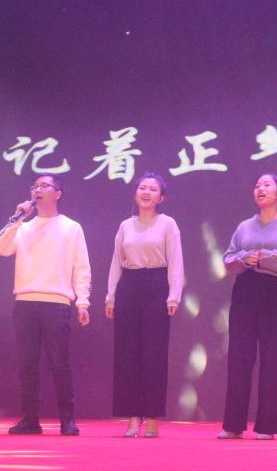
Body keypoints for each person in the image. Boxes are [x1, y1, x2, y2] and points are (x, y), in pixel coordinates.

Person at [0, 173, 91, 436]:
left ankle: (67, 419)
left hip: (56, 302)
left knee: (59, 362)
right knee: (27, 364)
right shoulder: (23, 227)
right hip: (25, 302)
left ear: (58, 194)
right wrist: (16, 219)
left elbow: (82, 267)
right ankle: (30, 419)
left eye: (45, 186)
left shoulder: (71, 227)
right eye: (35, 186)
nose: (38, 190)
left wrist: (82, 301)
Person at [218, 174, 277, 440]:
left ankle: (267, 426)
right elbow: (228, 260)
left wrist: (269, 258)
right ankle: (233, 425)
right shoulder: (244, 227)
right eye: (257, 185)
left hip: (276, 294)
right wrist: (245, 258)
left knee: (273, 358)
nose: (260, 189)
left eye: (267, 185)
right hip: (245, 292)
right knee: (239, 358)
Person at [105, 172, 184, 438]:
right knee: (127, 354)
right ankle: (131, 416)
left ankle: (151, 417)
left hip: (156, 285)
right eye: (142, 188)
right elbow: (116, 262)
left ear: (162, 197)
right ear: (135, 193)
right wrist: (111, 296)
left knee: (154, 354)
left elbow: (175, 262)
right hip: (129, 285)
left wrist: (173, 295)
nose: (146, 192)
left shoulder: (168, 224)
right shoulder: (125, 225)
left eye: (153, 189)